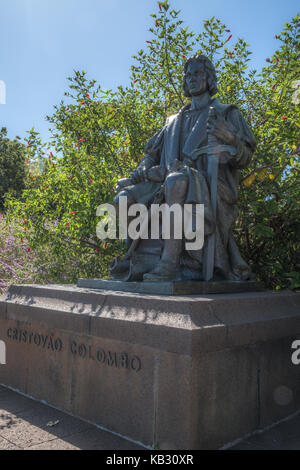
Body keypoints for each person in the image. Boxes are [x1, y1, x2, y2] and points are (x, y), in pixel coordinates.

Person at [113, 54, 256, 282]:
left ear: (209, 78)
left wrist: (229, 137)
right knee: (122, 199)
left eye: (198, 73)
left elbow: (245, 157)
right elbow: (152, 154)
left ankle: (169, 262)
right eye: (188, 75)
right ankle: (141, 261)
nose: (192, 78)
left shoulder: (227, 113)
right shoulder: (172, 121)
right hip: (165, 181)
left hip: (208, 186)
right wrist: (142, 169)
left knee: (177, 181)